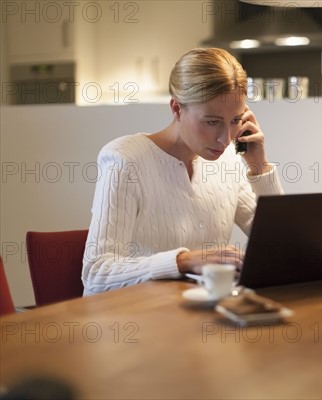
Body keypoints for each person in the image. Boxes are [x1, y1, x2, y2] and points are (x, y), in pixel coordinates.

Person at [82, 48, 283, 295]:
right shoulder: (125, 159)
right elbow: (96, 274)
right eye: (212, 122)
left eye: (235, 121)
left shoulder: (228, 158)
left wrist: (259, 167)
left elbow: (282, 245)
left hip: (201, 317)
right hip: (133, 323)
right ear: (177, 109)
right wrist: (183, 261)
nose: (226, 139)